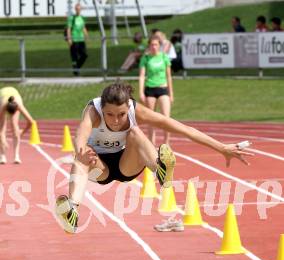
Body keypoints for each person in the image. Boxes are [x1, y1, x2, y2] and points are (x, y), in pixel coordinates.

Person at [55, 82, 253, 234]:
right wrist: (81, 149)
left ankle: (160, 169)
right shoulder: (93, 111)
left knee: (135, 133)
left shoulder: (136, 111)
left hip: (127, 164)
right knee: (81, 155)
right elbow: (81, 132)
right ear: (102, 110)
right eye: (110, 115)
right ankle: (72, 211)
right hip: (99, 167)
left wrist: (222, 148)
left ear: (128, 108)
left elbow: (182, 129)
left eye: (121, 114)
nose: (116, 121)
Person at [139, 36, 173, 146]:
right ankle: (151, 144)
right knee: (151, 119)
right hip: (150, 89)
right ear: (149, 46)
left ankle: (166, 143)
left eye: (156, 44)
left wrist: (171, 93)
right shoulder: (146, 58)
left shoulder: (164, 57)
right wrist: (141, 92)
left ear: (159, 46)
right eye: (152, 44)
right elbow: (142, 76)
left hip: (163, 88)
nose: (154, 47)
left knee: (166, 117)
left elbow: (169, 76)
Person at [0, 86, 33, 164]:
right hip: (2, 97)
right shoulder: (2, 107)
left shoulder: (19, 105)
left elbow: (31, 122)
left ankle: (16, 156)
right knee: (2, 127)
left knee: (15, 126)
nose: (10, 116)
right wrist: (3, 140)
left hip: (15, 95)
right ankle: (2, 155)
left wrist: (22, 132)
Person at [66, 3, 89, 76]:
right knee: (74, 56)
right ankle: (76, 70)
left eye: (79, 9)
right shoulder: (72, 18)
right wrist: (69, 38)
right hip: (74, 39)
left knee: (84, 55)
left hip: (81, 39)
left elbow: (83, 27)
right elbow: (69, 28)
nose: (78, 10)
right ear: (75, 9)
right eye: (77, 9)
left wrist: (86, 35)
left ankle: (76, 67)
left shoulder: (82, 18)